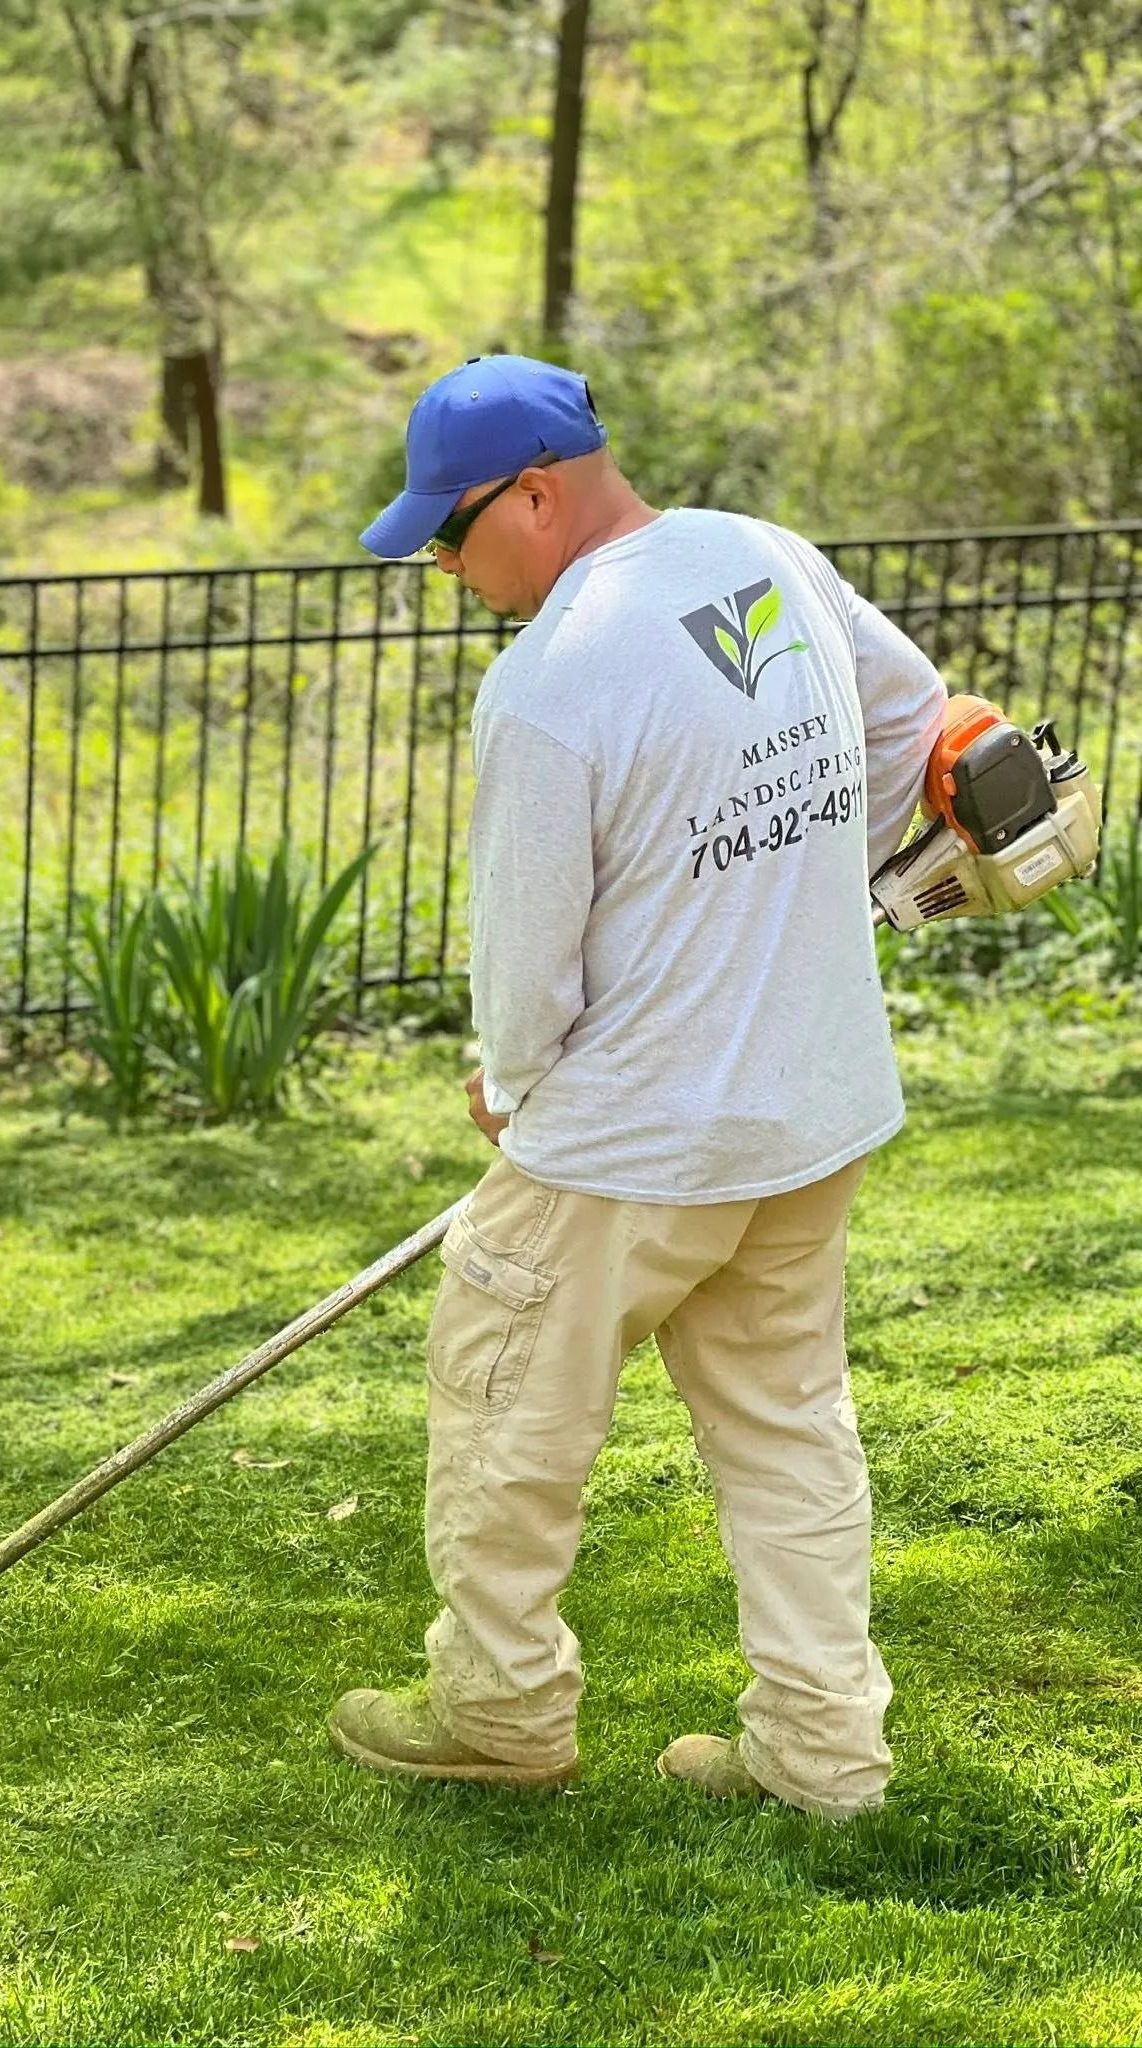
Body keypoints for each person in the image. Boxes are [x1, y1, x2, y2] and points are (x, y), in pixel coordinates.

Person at [327, 353, 947, 1818]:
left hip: (632, 1140)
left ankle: (498, 1709)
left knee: (505, 1409)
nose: (442, 561)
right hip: (808, 1110)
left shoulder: (550, 680)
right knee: (787, 1427)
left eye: (449, 530)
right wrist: (812, 890)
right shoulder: (759, 554)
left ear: (535, 493)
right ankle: (823, 1758)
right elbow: (914, 717)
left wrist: (514, 1079)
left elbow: (528, 965)